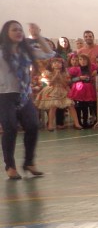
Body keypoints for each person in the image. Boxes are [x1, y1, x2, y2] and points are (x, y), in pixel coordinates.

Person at [1, 21, 54, 178]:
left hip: (24, 95)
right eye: (14, 30)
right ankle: (10, 166)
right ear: (6, 33)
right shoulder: (1, 52)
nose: (18, 32)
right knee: (10, 128)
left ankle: (29, 162)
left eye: (20, 30)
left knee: (32, 126)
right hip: (4, 95)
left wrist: (38, 36)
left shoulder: (27, 50)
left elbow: (49, 53)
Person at [36, 57, 80, 130]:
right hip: (52, 90)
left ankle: (77, 123)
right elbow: (50, 83)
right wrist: (56, 75)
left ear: (62, 65)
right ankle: (50, 125)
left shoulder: (65, 73)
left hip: (63, 90)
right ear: (51, 65)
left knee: (71, 105)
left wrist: (60, 77)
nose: (57, 64)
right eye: (55, 63)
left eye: (59, 63)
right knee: (53, 106)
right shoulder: (47, 73)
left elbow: (66, 84)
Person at [68, 53, 96, 129]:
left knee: (86, 106)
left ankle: (85, 121)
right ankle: (78, 122)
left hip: (88, 89)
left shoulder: (91, 68)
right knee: (78, 106)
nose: (82, 61)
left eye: (84, 59)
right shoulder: (75, 69)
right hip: (78, 89)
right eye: (80, 59)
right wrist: (79, 78)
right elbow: (70, 80)